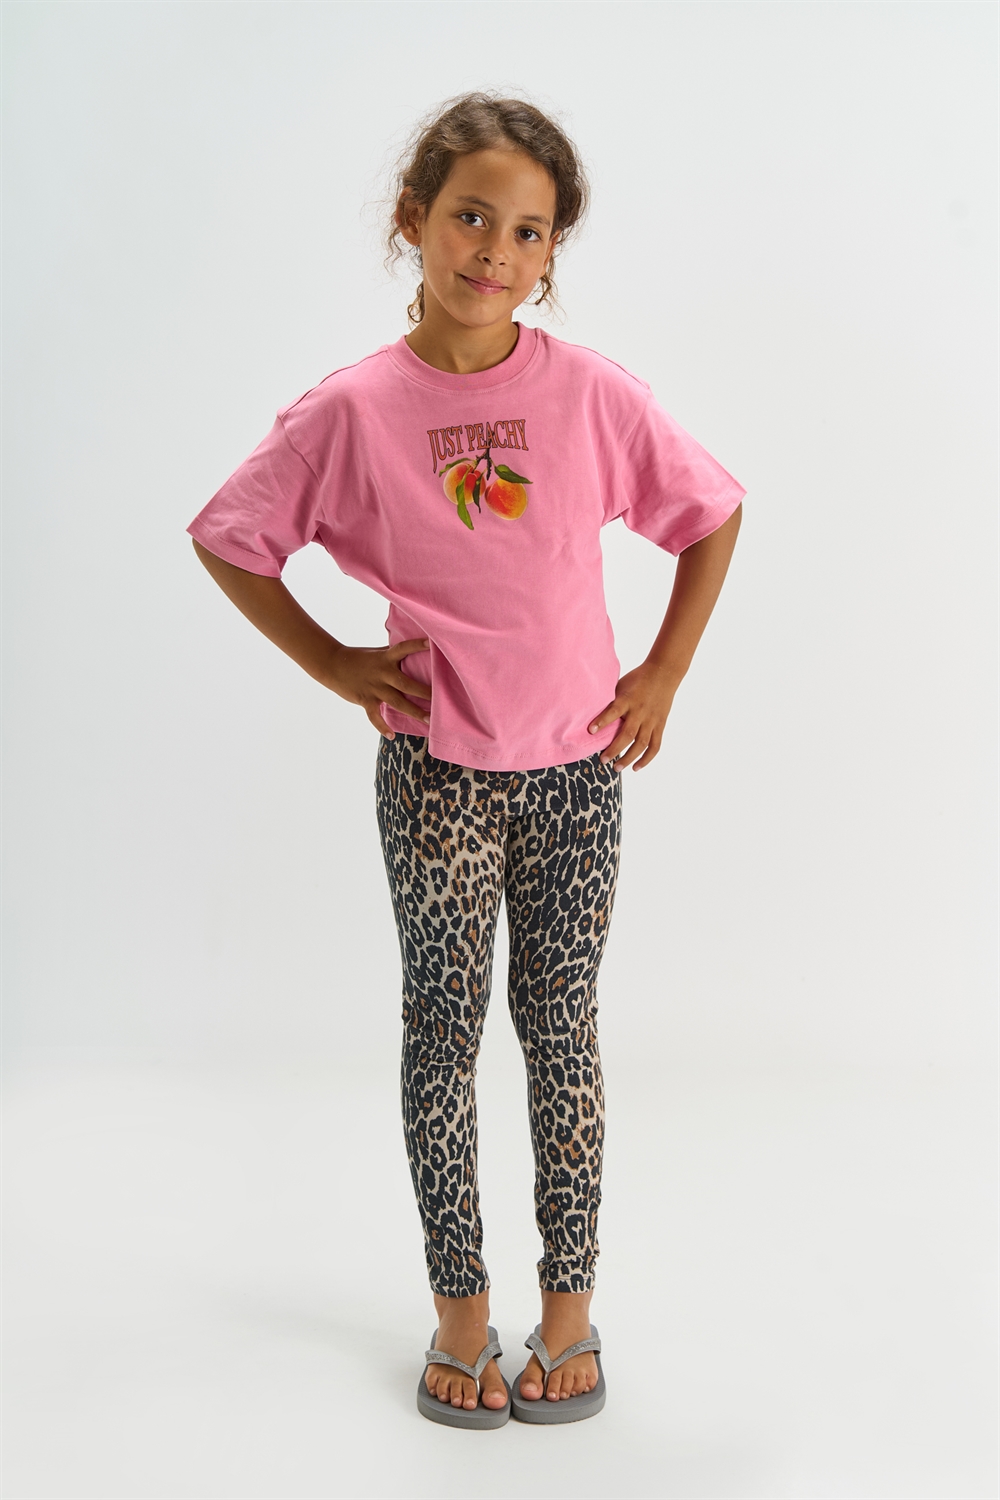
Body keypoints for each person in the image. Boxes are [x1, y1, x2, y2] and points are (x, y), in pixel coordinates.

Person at [187, 91, 743, 1429]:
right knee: (440, 1034)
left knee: (560, 1032)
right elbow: (230, 537)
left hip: (576, 775)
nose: (495, 250)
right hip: (435, 774)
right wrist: (333, 663)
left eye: (528, 231)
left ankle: (569, 1312)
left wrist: (663, 671)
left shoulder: (592, 394)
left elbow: (711, 513)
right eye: (471, 217)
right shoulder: (351, 412)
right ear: (415, 220)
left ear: (553, 254)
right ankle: (459, 1311)